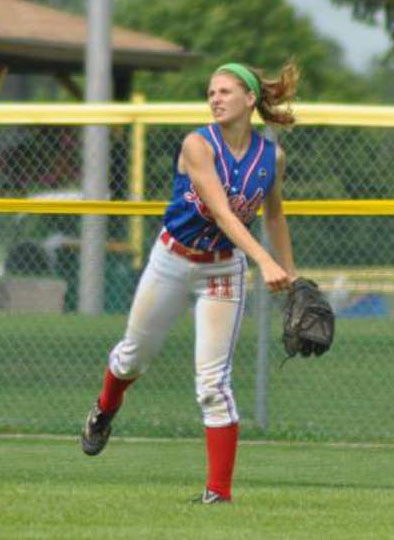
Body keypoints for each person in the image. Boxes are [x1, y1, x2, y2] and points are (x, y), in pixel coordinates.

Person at [81, 60, 299, 504]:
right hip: (172, 261)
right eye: (211, 92)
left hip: (223, 268)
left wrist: (290, 274)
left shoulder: (271, 156)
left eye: (224, 91)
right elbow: (220, 210)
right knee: (132, 358)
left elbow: (274, 213)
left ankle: (218, 495)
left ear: (250, 99)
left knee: (214, 384)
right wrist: (263, 261)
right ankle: (105, 409)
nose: (215, 98)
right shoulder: (198, 145)